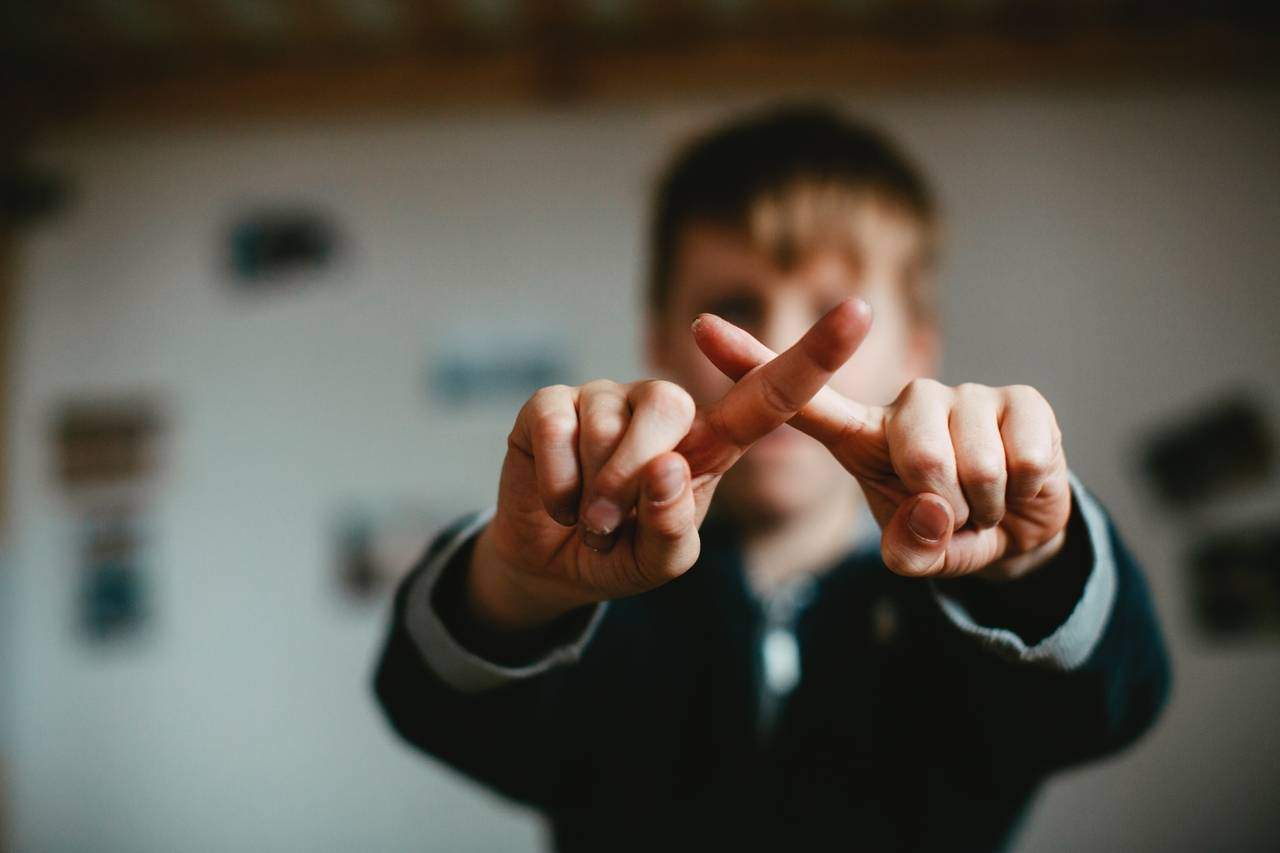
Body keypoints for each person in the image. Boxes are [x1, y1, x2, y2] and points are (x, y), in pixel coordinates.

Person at [373, 104, 1170, 852]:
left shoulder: (964, 621)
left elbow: (1111, 703)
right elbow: (429, 703)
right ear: (659, 339)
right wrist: (516, 587)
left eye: (833, 313)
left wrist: (1033, 563)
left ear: (920, 351)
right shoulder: (595, 603)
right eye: (735, 304)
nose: (783, 357)